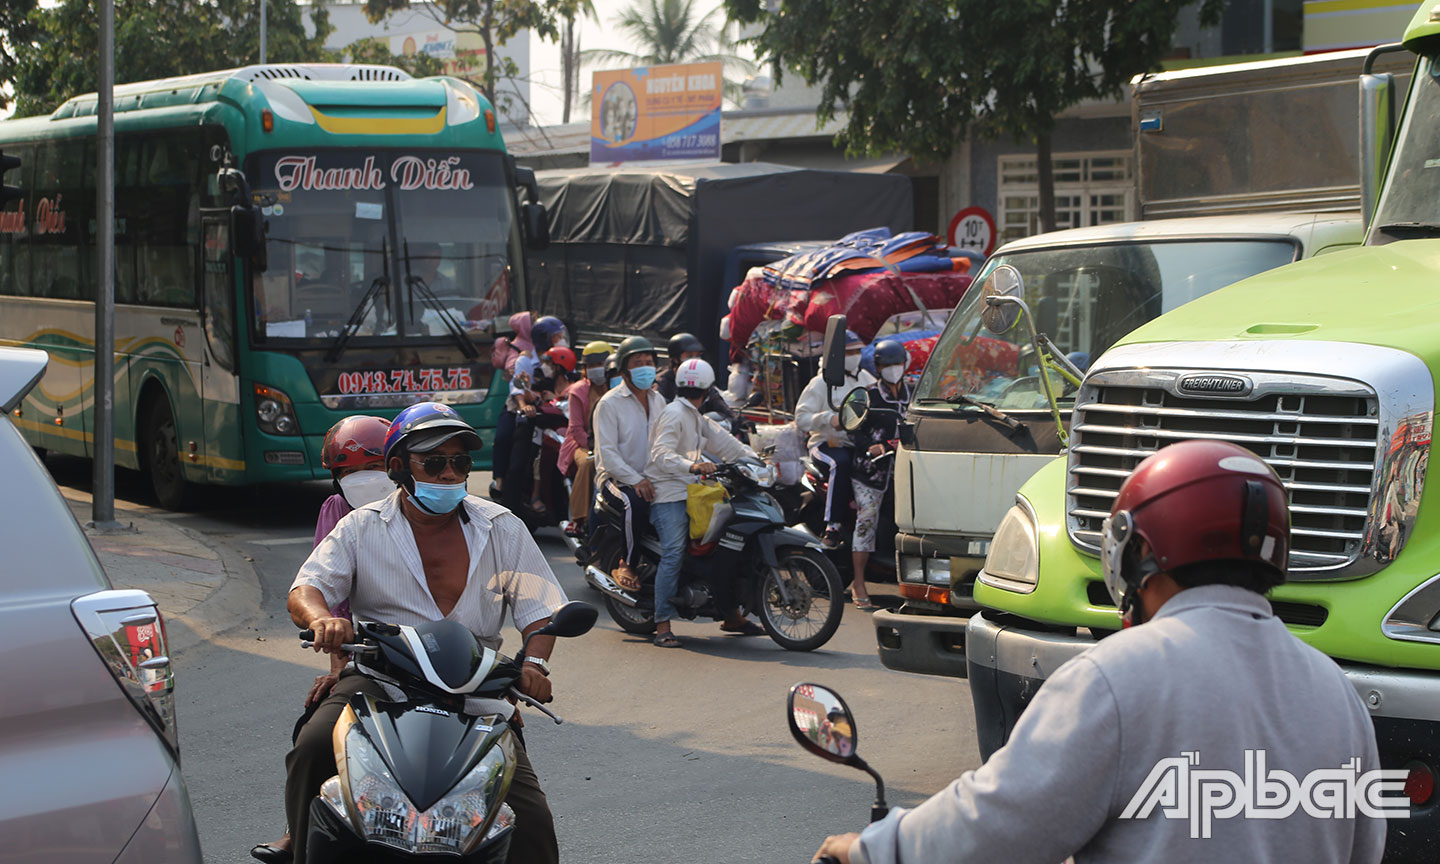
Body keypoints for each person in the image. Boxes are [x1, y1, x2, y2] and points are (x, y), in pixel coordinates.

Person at [814, 439, 1387, 864]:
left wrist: (870, 849)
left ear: (1138, 554)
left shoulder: (1116, 679)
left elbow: (997, 824)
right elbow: (1365, 848)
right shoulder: (1335, 693)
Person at [284, 402, 570, 864]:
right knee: (313, 747)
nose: (449, 473)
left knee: (532, 822)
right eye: (434, 462)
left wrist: (534, 663)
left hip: (476, 691)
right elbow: (307, 588)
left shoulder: (503, 527)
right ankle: (298, 848)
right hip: (379, 683)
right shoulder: (360, 527)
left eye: (459, 462)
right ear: (397, 467)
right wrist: (321, 618)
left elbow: (544, 612)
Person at [251, 415, 394, 864]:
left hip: (446, 667)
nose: (361, 482)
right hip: (370, 659)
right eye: (348, 473)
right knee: (313, 739)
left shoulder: (444, 514)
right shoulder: (337, 514)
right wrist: (339, 666)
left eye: (372, 470)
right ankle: (300, 833)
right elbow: (325, 596)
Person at [644, 358, 764, 648]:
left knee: (730, 545)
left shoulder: (697, 417)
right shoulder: (674, 414)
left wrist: (757, 461)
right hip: (669, 493)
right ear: (709, 390)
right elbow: (661, 454)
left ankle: (731, 613)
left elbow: (726, 444)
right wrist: (692, 466)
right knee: (673, 551)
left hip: (694, 491)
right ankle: (662, 624)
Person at [592, 335, 666, 591]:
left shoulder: (659, 401)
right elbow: (608, 455)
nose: (646, 367)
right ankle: (628, 563)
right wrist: (636, 480)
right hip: (617, 479)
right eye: (638, 362)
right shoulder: (609, 404)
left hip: (653, 477)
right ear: (624, 370)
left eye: (649, 362)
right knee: (632, 503)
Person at [794, 329, 874, 548]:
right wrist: (830, 419)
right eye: (850, 352)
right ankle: (833, 526)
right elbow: (801, 418)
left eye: (858, 351)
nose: (855, 356)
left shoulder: (866, 379)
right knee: (841, 463)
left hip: (857, 443)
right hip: (826, 443)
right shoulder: (820, 383)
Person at [848, 339, 911, 611]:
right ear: (878, 368)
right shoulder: (867, 396)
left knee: (912, 525)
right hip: (871, 473)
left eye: (897, 364)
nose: (893, 370)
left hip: (908, 473)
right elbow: (852, 428)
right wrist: (870, 447)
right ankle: (858, 582)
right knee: (867, 520)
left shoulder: (916, 393)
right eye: (887, 365)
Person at [559, 341, 614, 539]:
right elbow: (575, 428)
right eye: (590, 366)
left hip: (614, 441)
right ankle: (579, 519)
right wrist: (594, 448)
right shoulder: (578, 391)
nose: (595, 369)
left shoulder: (616, 387)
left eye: (600, 364)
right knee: (588, 463)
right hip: (582, 443)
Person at [490, 311, 537, 498]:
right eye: (532, 322)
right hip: (515, 405)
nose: (536, 325)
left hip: (540, 404)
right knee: (502, 439)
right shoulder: (516, 349)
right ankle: (499, 482)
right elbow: (514, 379)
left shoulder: (543, 347)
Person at [657, 332, 739, 428]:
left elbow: (717, 401)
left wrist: (737, 419)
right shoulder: (664, 382)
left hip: (700, 432)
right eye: (689, 355)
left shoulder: (701, 378)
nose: (694, 359)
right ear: (675, 359)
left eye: (697, 355)